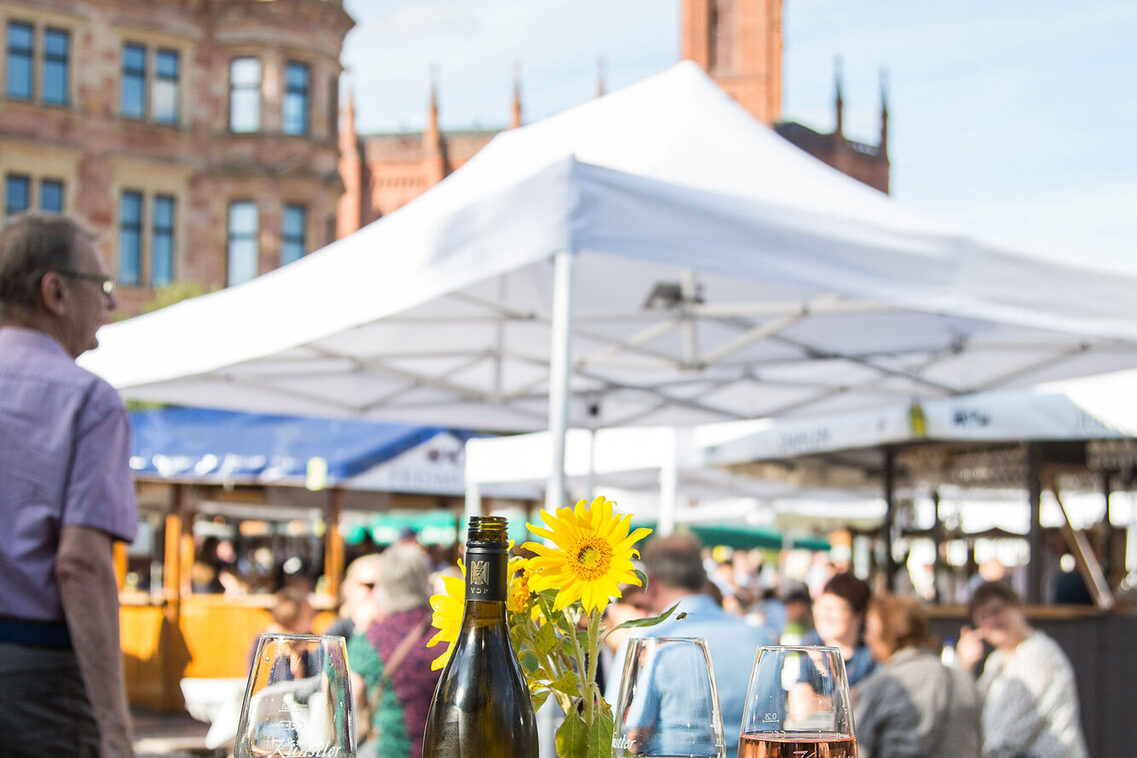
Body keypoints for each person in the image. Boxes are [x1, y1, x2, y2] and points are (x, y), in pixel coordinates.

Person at [0, 213, 138, 758]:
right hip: (35, 677)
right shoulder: (88, 401)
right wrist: (117, 732)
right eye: (102, 287)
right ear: (54, 291)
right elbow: (80, 564)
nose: (111, 304)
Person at [605, 533, 773, 758]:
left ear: (651, 585)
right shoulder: (759, 639)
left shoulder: (648, 640)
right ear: (703, 580)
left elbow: (617, 729)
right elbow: (773, 724)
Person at [956, 581, 1089, 758]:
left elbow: (1013, 733)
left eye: (997, 611)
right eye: (983, 617)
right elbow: (972, 713)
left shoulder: (1038, 654)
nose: (992, 621)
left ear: (1018, 608)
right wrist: (964, 668)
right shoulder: (996, 661)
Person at [854, 594, 980, 758]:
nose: (866, 637)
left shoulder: (881, 686)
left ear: (884, 632)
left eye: (869, 629)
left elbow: (856, 750)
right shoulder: (964, 679)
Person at [348, 544, 440, 758]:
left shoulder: (369, 639)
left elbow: (341, 698)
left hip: (389, 751)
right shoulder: (449, 634)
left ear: (384, 585)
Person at [804, 572, 876, 687]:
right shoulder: (811, 643)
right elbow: (799, 697)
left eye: (833, 608)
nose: (824, 614)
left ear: (858, 615)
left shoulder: (873, 654)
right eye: (820, 606)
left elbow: (867, 698)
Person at [325, 553, 384, 640]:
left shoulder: (400, 631)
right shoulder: (337, 633)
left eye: (385, 587)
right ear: (347, 588)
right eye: (370, 585)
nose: (379, 592)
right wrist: (362, 628)